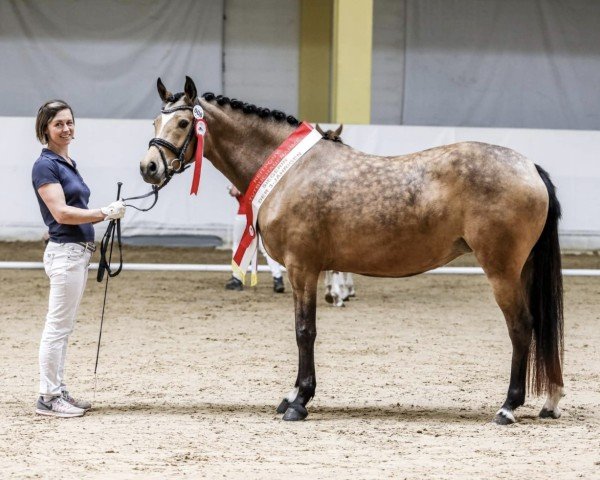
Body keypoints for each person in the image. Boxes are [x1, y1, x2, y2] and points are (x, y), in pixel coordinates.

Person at [32, 99, 126, 418]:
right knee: (57, 327)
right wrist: (102, 213)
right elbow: (60, 212)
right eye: (58, 123)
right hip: (66, 252)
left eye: (69, 122)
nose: (66, 128)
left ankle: (57, 390)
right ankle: (47, 396)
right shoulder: (45, 165)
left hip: (77, 253)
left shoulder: (67, 162)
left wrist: (104, 213)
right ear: (45, 128)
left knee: (64, 327)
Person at [225, 185, 285, 293]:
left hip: (243, 215)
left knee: (238, 246)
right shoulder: (260, 180)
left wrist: (230, 188)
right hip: (259, 216)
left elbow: (234, 192)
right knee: (266, 249)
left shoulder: (240, 174)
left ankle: (237, 278)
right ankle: (278, 278)